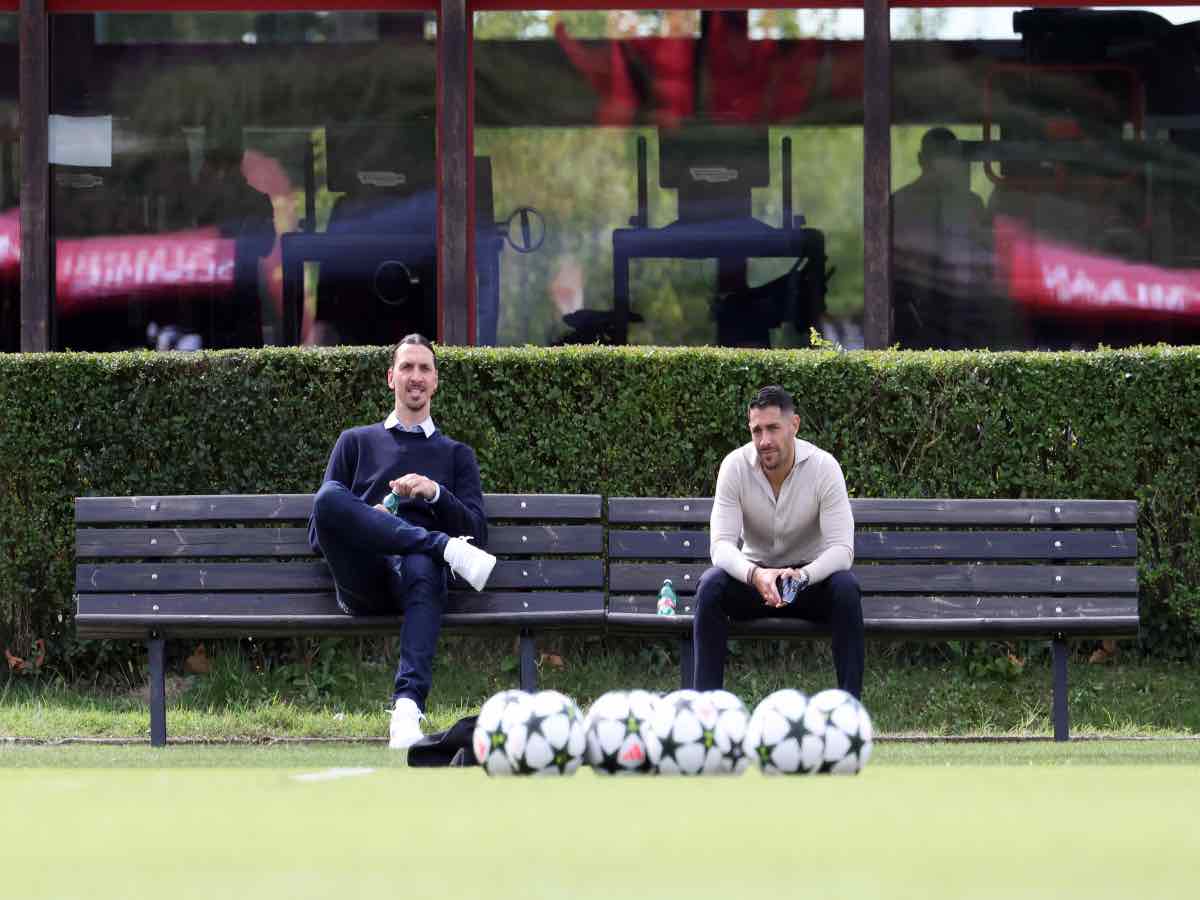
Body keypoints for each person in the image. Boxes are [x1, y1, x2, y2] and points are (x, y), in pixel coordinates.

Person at [307, 333, 497, 749]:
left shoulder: (456, 454)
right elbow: (318, 530)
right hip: (364, 577)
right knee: (328, 496)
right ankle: (438, 544)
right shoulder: (354, 441)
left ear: (435, 381)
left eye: (424, 368)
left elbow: (478, 534)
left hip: (420, 583)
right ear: (391, 378)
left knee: (421, 562)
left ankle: (407, 710)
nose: (416, 376)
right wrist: (368, 519)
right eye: (407, 367)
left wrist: (435, 493)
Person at [692, 385, 864, 698]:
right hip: (755, 581)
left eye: (773, 428)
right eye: (756, 430)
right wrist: (755, 575)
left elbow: (842, 550)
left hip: (807, 583)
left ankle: (849, 709)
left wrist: (803, 576)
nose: (764, 441)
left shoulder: (824, 467)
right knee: (710, 586)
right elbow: (720, 545)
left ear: (794, 425)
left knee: (845, 588)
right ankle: (708, 710)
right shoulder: (734, 466)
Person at [891, 126, 992, 349]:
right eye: (939, 157)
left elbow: (985, 257)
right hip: (913, 306)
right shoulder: (897, 203)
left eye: (946, 158)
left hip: (960, 309)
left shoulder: (970, 203)